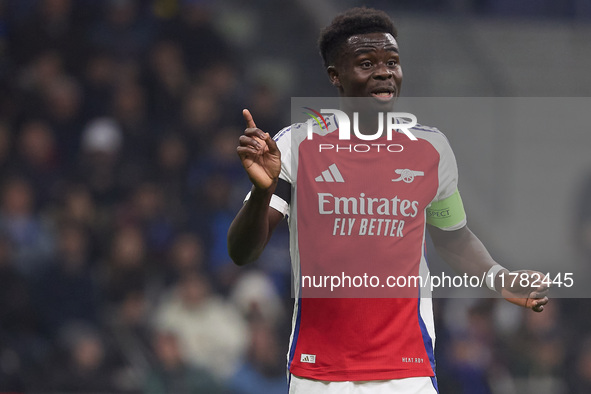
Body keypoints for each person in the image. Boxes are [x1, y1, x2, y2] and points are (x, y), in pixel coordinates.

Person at [227, 7, 549, 394]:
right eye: (367, 63)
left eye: (392, 62)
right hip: (319, 375)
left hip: (406, 373)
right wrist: (263, 191)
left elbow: (453, 237)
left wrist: (498, 276)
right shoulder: (297, 145)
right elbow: (243, 252)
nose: (385, 72)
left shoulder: (430, 149)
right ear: (335, 75)